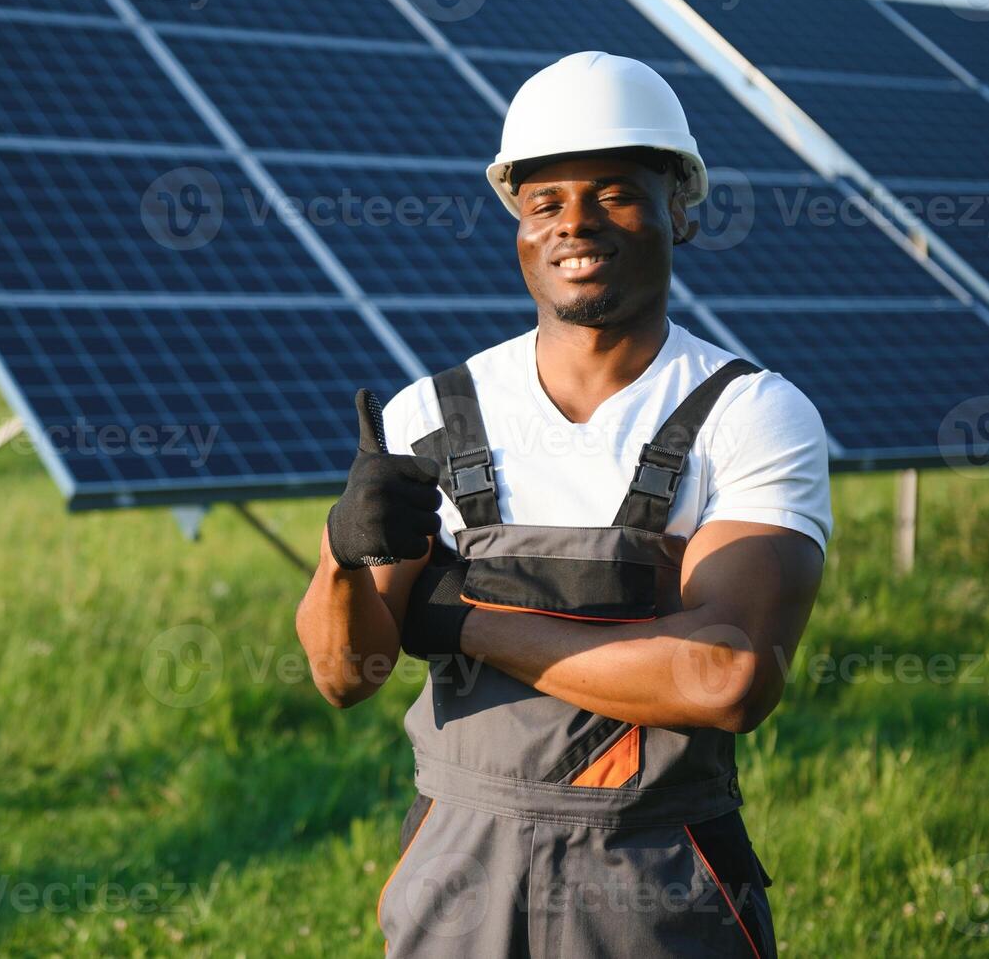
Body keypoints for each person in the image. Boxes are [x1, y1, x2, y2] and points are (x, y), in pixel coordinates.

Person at [295, 52, 831, 958]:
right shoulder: (427, 413)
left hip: (658, 873)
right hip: (456, 871)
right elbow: (347, 677)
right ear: (515, 222)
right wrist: (342, 559)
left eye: (615, 192)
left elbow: (725, 679)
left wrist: (460, 620)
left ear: (678, 208)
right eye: (544, 201)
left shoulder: (749, 413)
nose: (574, 224)